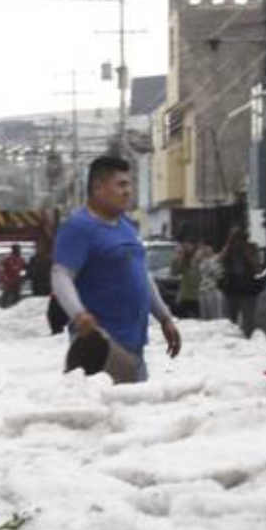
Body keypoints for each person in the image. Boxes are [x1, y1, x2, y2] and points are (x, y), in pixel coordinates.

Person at [51, 155, 182, 382]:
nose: (128, 191)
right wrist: (78, 314)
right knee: (109, 406)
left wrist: (165, 318)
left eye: (129, 185)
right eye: (121, 185)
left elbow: (142, 276)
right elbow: (61, 275)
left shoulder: (127, 227)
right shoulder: (79, 227)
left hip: (134, 346)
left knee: (136, 404)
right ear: (98, 188)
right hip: (100, 349)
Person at [218, 229, 259, 335]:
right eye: (235, 239)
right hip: (232, 289)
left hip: (248, 289)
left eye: (240, 239)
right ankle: (232, 339)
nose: (238, 242)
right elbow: (220, 260)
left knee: (248, 322)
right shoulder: (229, 248)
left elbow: (256, 266)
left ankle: (248, 339)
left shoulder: (251, 247)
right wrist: (228, 244)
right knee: (230, 322)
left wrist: (246, 252)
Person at [173, 240, 202, 319]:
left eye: (190, 245)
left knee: (198, 321)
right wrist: (178, 256)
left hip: (198, 297)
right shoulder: (185, 261)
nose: (188, 247)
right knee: (183, 320)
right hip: (185, 297)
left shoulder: (199, 260)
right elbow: (174, 272)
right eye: (186, 245)